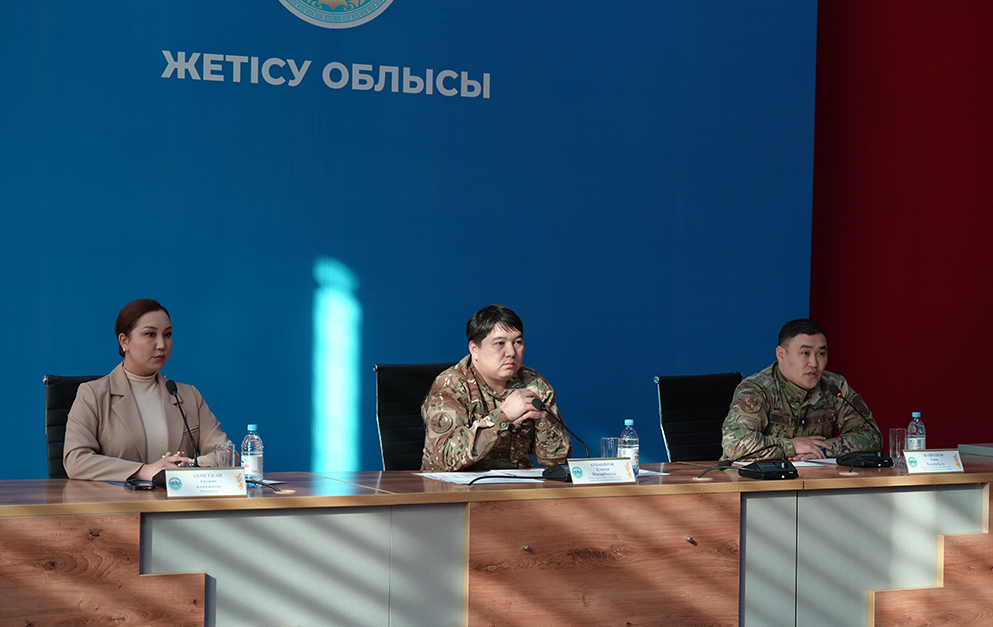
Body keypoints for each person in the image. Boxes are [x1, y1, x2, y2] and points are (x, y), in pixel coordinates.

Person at [63, 298, 231, 481]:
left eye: (167, 334)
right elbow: (75, 460)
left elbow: (227, 454)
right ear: (124, 341)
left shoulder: (188, 395)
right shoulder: (93, 395)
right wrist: (144, 470)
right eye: (150, 334)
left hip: (176, 497)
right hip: (115, 498)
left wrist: (189, 465)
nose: (162, 345)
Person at [420, 304, 572, 471]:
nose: (511, 352)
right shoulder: (451, 385)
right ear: (474, 349)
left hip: (516, 484)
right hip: (453, 485)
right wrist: (503, 416)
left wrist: (544, 419)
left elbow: (557, 459)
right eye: (500, 343)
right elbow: (444, 458)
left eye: (517, 342)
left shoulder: (533, 384)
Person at [721, 318, 881, 462]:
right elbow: (735, 443)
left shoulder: (835, 387)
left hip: (817, 478)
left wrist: (822, 450)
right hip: (762, 480)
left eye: (821, 354)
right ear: (781, 355)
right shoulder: (758, 389)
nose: (814, 363)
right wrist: (791, 446)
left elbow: (872, 436)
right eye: (805, 353)